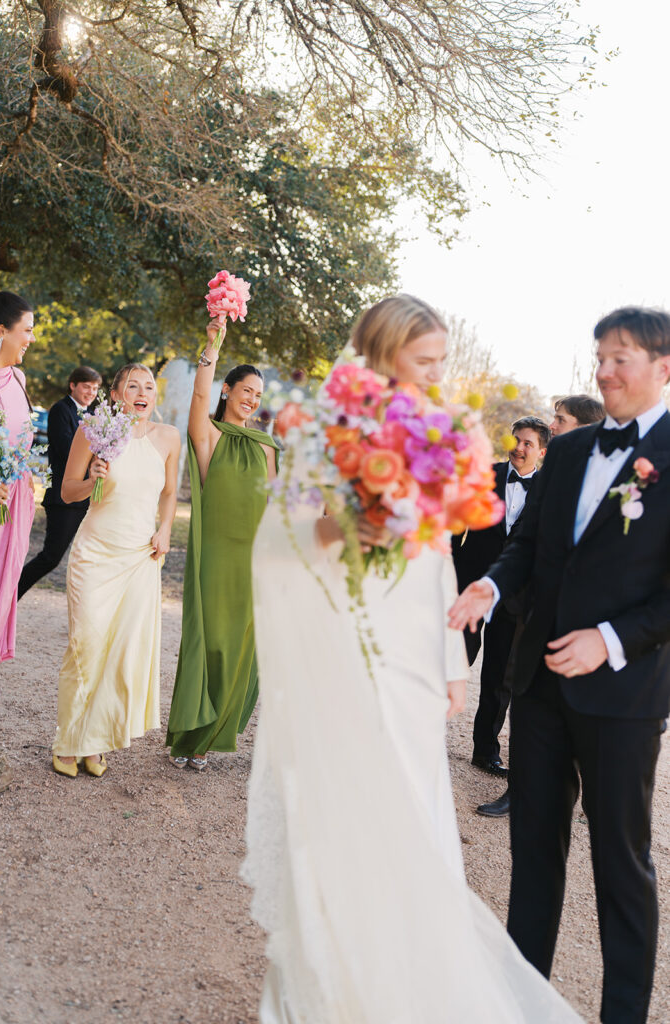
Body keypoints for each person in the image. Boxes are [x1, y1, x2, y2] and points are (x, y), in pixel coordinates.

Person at [243, 295, 583, 1023]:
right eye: (423, 360)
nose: (435, 374)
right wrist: (360, 519)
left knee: (408, 808)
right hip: (344, 639)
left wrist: (450, 665)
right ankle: (323, 987)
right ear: (382, 350)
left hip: (407, 650)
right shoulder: (325, 427)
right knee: (336, 815)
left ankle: (399, 985)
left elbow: (437, 558)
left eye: (440, 361)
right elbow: (290, 541)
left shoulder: (439, 430)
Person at [449, 306, 670, 1023]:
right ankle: (521, 1001)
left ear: (662, 367)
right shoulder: (567, 452)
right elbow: (527, 545)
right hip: (538, 687)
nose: (603, 371)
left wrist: (608, 640)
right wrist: (490, 584)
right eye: (598, 357)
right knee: (532, 856)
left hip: (622, 696)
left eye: (620, 358)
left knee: (620, 866)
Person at [52, 363, 180, 778]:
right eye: (132, 385)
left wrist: (165, 529)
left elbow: (169, 492)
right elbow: (67, 492)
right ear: (116, 394)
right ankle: (68, 741)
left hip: (140, 558)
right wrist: (92, 479)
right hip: (96, 554)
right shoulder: (94, 430)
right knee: (86, 645)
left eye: (148, 386)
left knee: (121, 654)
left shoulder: (168, 437)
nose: (142, 392)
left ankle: (96, 740)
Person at [479, 396, 604, 818]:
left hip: (586, 617)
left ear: (586, 429)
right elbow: (526, 541)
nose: (553, 427)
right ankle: (519, 791)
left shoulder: (615, 479)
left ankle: (569, 796)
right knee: (524, 697)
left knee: (573, 708)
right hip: (532, 606)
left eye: (560, 421)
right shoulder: (552, 476)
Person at [166, 323, 279, 770]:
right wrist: (211, 349)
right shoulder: (209, 434)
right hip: (216, 556)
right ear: (227, 390)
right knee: (209, 642)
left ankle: (212, 737)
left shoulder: (267, 445)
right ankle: (190, 733)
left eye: (258, 394)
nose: (252, 399)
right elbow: (197, 399)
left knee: (239, 648)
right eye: (246, 390)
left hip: (255, 559)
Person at [453, 416, 549, 780]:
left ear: (541, 451)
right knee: (454, 660)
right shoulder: (484, 475)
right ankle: (423, 732)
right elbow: (454, 525)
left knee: (499, 678)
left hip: (515, 598)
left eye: (528, 443)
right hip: (471, 587)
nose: (519, 448)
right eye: (516, 440)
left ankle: (485, 751)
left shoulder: (549, 490)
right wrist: (452, 574)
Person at [0, 291, 36, 704]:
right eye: (27, 330)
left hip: (13, 507)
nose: (31, 339)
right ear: (1, 331)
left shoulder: (18, 380)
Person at [18, 365, 102, 599]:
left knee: (89, 558)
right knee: (50, 558)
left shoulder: (93, 416)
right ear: (73, 385)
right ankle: (9, 597)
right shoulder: (60, 410)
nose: (91, 392)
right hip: (63, 498)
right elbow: (67, 451)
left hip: (88, 498)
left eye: (95, 388)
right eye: (86, 386)